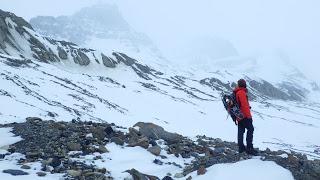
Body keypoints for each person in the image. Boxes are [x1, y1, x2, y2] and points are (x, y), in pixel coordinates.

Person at [233, 79, 258, 155]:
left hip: (239, 115)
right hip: (244, 116)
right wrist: (249, 116)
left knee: (241, 130)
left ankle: (241, 148)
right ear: (244, 84)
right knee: (250, 129)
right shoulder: (241, 92)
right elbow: (244, 105)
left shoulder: (237, 92)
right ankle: (249, 148)